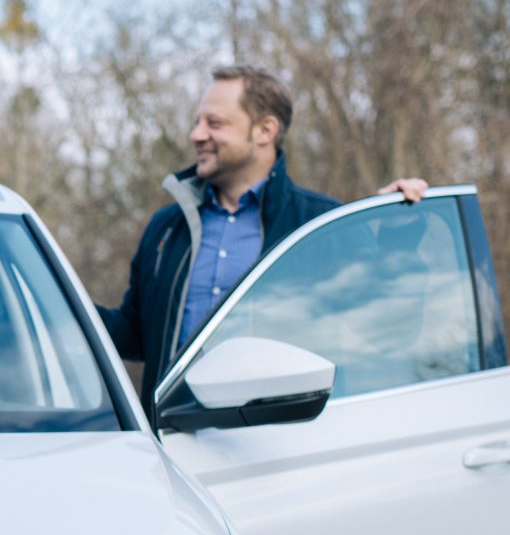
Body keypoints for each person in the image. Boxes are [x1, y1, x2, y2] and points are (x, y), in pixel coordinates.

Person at [100, 64, 428, 404]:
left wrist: (397, 239)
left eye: (215, 123)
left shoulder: (321, 224)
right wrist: (53, 307)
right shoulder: (166, 228)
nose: (196, 135)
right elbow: (136, 336)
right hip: (171, 442)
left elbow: (392, 330)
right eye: (197, 122)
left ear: (264, 131)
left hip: (280, 448)